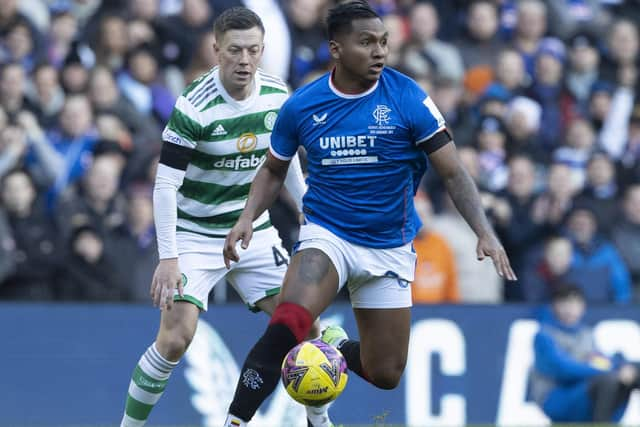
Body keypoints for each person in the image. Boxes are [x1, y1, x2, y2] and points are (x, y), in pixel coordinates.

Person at [221, 2, 516, 426]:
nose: (379, 52)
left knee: (385, 373)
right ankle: (235, 419)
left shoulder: (408, 98)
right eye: (366, 43)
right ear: (336, 49)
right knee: (289, 320)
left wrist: (483, 231)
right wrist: (248, 215)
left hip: (389, 246)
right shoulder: (302, 105)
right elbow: (273, 169)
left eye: (383, 42)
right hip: (328, 235)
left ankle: (337, 348)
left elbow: (453, 172)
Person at [118, 7, 330, 427]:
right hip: (194, 233)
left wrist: (311, 215)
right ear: (217, 51)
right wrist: (169, 257)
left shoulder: (276, 95)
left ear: (263, 50)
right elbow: (164, 186)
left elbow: (284, 165)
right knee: (176, 339)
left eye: (253, 50)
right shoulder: (194, 106)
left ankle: (320, 422)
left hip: (252, 231)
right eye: (235, 51)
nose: (245, 60)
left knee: (309, 329)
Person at [530, 284, 640, 422]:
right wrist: (612, 369)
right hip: (556, 398)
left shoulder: (585, 333)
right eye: (565, 303)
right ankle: (601, 423)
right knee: (608, 379)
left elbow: (599, 359)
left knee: (633, 370)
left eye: (575, 304)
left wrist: (621, 365)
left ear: (583, 307)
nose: (570, 309)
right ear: (555, 306)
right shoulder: (544, 335)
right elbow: (564, 369)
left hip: (584, 391)